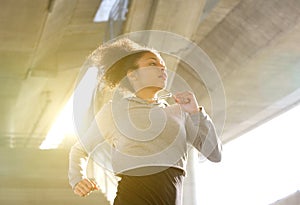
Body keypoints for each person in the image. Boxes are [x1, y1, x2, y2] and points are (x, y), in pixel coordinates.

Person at [68, 38, 222, 205]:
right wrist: (78, 178)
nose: (162, 67)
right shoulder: (114, 112)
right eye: (152, 63)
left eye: (163, 64)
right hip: (131, 197)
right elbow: (79, 149)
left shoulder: (179, 112)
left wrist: (196, 113)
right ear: (132, 74)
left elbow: (214, 154)